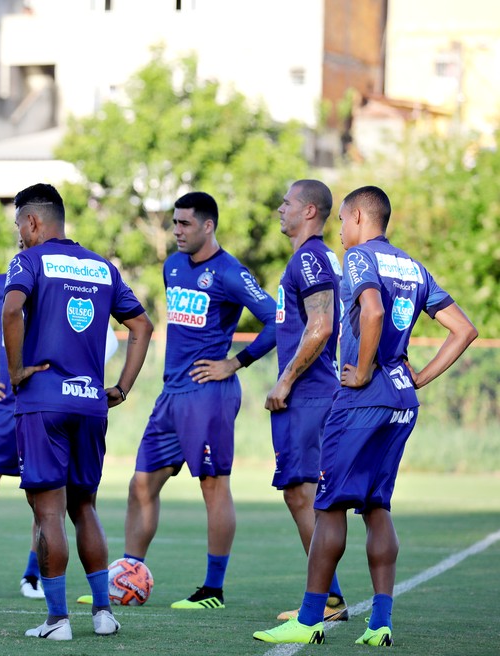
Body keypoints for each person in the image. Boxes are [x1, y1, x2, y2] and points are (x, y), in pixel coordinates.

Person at [254, 186, 477, 646]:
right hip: (400, 399)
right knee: (377, 507)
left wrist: (362, 371)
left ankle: (311, 616)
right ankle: (380, 623)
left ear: (357, 216)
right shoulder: (412, 265)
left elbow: (371, 309)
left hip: (364, 397)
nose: (338, 232)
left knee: (329, 504)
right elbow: (464, 329)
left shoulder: (360, 258)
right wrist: (419, 378)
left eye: (340, 223)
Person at [2, 183, 153, 640]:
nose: (18, 236)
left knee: (48, 509)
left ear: (32, 222)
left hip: (44, 401)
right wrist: (122, 388)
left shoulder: (28, 261)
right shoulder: (102, 267)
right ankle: (103, 613)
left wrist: (16, 371)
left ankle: (57, 620)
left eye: (18, 227)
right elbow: (142, 325)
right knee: (84, 506)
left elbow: (10, 310)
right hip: (91, 403)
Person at [122, 191, 276, 610]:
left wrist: (235, 362)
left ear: (208, 226)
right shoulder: (172, 266)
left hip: (208, 395)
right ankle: (127, 577)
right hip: (171, 394)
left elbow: (276, 320)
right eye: (174, 223)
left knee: (213, 487)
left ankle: (213, 590)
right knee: (141, 484)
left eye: (185, 224)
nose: (177, 231)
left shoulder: (229, 272)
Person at [0, 255, 118, 600]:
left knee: (44, 496)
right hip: (7, 406)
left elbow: (109, 339)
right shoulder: (1, 283)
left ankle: (33, 576)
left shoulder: (68, 285)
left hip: (46, 405)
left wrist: (80, 373)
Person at [267, 180, 348, 622]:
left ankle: (328, 600)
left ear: (311, 211)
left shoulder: (311, 256)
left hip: (310, 395)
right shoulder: (309, 257)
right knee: (301, 494)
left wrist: (286, 380)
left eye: (288, 202)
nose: (281, 209)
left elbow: (321, 325)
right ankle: (330, 596)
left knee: (304, 493)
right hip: (311, 395)